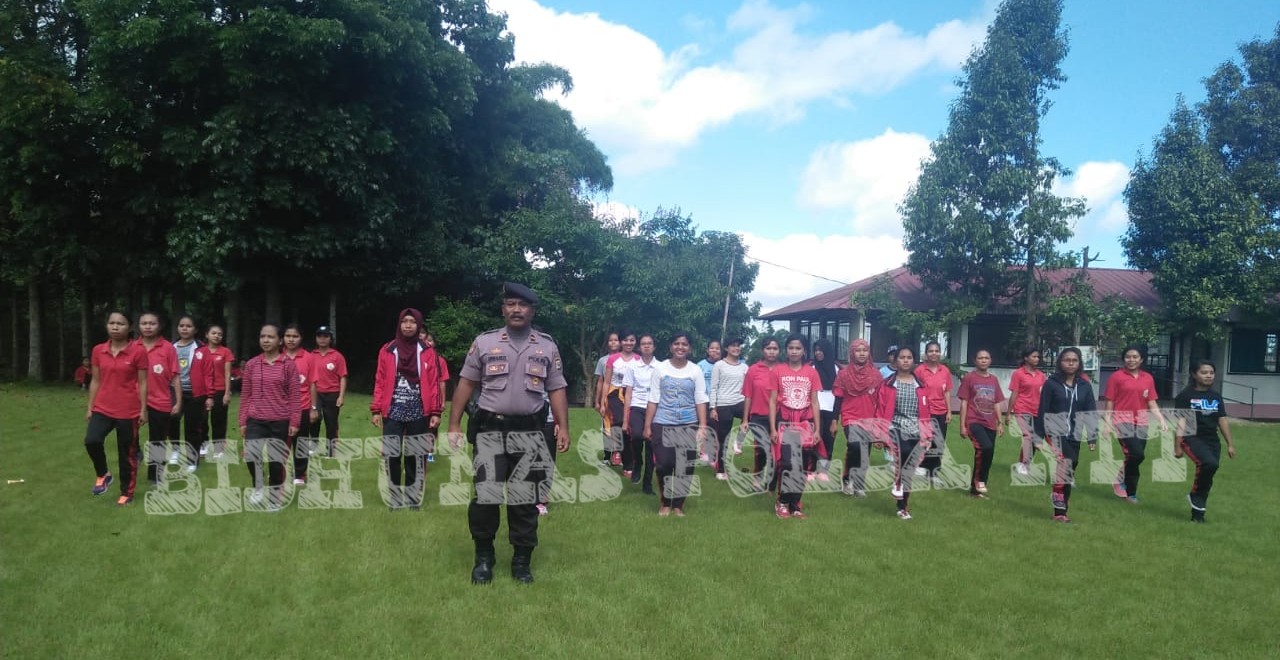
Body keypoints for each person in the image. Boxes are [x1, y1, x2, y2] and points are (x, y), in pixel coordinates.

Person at [448, 283, 569, 585]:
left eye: (523, 305)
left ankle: (521, 561)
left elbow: (556, 387)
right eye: (511, 304)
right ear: (503, 309)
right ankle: (484, 558)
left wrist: (563, 426)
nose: (516, 309)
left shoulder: (546, 346)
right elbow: (465, 383)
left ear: (532, 310)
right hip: (490, 430)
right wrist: (452, 425)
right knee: (486, 497)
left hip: (530, 432)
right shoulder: (485, 343)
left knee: (524, 499)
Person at [371, 309, 443, 510]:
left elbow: (434, 383)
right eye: (405, 321)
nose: (408, 325)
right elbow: (380, 380)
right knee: (392, 455)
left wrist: (435, 412)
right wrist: (376, 409)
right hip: (392, 410)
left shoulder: (428, 351)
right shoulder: (387, 350)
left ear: (418, 325)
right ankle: (394, 497)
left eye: (412, 322)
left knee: (415, 454)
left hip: (419, 411)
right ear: (399, 324)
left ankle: (413, 497)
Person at [83, 312, 148, 506]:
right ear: (106, 326)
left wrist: (143, 409)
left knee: (126, 453)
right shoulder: (98, 350)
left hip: (128, 410)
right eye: (111, 323)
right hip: (102, 407)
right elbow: (95, 380)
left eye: (120, 324)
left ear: (129, 327)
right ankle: (103, 474)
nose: (115, 327)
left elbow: (143, 383)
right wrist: (90, 407)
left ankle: (126, 492)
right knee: (92, 441)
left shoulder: (138, 351)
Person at [643, 333, 709, 517]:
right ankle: (665, 503)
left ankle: (678, 505)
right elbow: (653, 398)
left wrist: (703, 425)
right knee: (664, 464)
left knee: (685, 466)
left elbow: (700, 398)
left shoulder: (695, 370)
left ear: (690, 348)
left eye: (685, 344)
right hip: (663, 423)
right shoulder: (660, 369)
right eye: (677, 344)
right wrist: (648, 425)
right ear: (671, 347)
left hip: (688, 424)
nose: (680, 347)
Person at [238, 324, 301, 510]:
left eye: (270, 337)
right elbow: (245, 395)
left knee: (276, 461)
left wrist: (295, 421)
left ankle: (275, 497)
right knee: (251, 455)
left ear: (279, 340)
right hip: (255, 418)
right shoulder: (251, 365)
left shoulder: (288, 365)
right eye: (262, 336)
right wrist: (242, 421)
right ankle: (258, 486)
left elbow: (295, 396)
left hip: (280, 420)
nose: (265, 340)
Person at [1035, 347, 1098, 523]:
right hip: (1054, 431)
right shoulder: (1051, 383)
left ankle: (1063, 509)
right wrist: (1038, 436)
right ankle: (1059, 511)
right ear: (1060, 362)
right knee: (1066, 462)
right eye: (1066, 360)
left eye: (1074, 360)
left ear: (1079, 363)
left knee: (1070, 469)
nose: (1070, 363)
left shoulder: (1085, 386)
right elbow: (1043, 409)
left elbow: (1090, 411)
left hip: (1075, 434)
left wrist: (1092, 436)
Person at [1173, 360, 1236, 523]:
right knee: (1209, 464)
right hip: (1192, 437)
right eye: (1204, 372)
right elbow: (1181, 422)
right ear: (1194, 374)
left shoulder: (1216, 396)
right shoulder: (1185, 396)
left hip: (1212, 440)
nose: (1208, 376)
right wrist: (1177, 446)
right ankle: (1194, 495)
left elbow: (1222, 420)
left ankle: (1198, 515)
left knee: (1208, 475)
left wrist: (1230, 444)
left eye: (1211, 373)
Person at [1103, 345, 1165, 504]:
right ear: (1124, 359)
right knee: (1136, 454)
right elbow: (1110, 401)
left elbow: (1151, 401)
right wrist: (1107, 423)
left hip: (1142, 421)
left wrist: (1161, 419)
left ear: (1141, 359)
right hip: (1122, 420)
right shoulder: (1116, 377)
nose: (1131, 360)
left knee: (1134, 457)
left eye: (1135, 357)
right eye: (1128, 357)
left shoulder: (1148, 378)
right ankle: (1123, 483)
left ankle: (1130, 492)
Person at [877, 346, 932, 520]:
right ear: (895, 360)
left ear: (914, 361)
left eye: (909, 357)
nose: (906, 360)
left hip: (915, 428)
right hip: (895, 426)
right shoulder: (887, 385)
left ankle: (902, 507)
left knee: (909, 468)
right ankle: (898, 483)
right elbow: (880, 409)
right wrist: (879, 434)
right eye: (902, 357)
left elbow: (926, 412)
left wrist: (927, 434)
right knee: (905, 453)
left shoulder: (921, 386)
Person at [770, 335, 821, 518]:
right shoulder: (778, 371)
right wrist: (773, 429)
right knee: (788, 464)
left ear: (803, 351)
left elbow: (815, 402)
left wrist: (817, 430)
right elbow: (773, 401)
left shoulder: (811, 373)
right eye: (790, 347)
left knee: (802, 467)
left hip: (805, 425)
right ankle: (782, 501)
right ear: (786, 350)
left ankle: (795, 505)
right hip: (785, 424)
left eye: (798, 348)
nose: (794, 351)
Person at [137, 312, 182, 486]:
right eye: (144, 323)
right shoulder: (133, 347)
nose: (148, 326)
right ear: (138, 326)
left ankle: (155, 476)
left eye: (152, 323)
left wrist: (177, 402)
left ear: (159, 326)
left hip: (160, 400)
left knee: (158, 440)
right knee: (127, 437)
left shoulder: (168, 348)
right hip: (134, 400)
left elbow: (175, 377)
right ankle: (135, 459)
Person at [833, 339, 880, 497]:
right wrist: (834, 420)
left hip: (869, 418)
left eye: (864, 350)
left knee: (865, 452)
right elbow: (838, 399)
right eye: (858, 350)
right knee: (855, 446)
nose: (861, 353)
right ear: (852, 353)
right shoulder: (844, 374)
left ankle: (859, 484)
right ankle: (847, 479)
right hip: (850, 416)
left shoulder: (875, 374)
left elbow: (881, 400)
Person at [957, 349, 1005, 498]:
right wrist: (962, 425)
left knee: (988, 455)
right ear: (975, 360)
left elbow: (996, 402)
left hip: (989, 423)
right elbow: (964, 402)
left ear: (990, 360)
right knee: (985, 448)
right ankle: (980, 481)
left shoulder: (993, 380)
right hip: (974, 421)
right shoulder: (969, 378)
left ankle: (975, 490)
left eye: (986, 358)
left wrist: (1000, 422)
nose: (983, 360)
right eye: (980, 358)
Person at [167, 316, 207, 471]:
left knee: (192, 427)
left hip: (194, 393)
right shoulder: (171, 347)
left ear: (195, 329)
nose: (184, 328)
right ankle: (175, 451)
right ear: (177, 328)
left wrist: (208, 395)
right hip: (173, 391)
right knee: (172, 423)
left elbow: (207, 372)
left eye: (188, 326)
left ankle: (192, 460)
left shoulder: (202, 348)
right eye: (181, 325)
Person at [741, 337, 780, 490]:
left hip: (779, 416)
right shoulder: (753, 370)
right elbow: (748, 396)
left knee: (776, 451)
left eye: (775, 348)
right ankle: (757, 475)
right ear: (763, 350)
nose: (771, 351)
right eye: (768, 348)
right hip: (759, 416)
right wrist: (745, 419)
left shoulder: (782, 369)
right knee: (762, 449)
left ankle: (771, 483)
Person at [623, 334, 660, 491]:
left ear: (654, 347)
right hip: (637, 406)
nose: (646, 346)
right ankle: (637, 462)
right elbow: (628, 394)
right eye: (643, 344)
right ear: (639, 347)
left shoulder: (661, 367)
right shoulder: (632, 366)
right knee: (637, 435)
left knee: (651, 446)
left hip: (654, 408)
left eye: (649, 343)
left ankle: (647, 483)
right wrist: (625, 420)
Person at [709, 337, 748, 481]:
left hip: (740, 401)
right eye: (733, 346)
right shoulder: (719, 365)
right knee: (723, 438)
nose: (736, 348)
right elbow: (713, 388)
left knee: (751, 418)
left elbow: (749, 388)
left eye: (738, 346)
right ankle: (721, 470)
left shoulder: (744, 367)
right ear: (726, 349)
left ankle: (738, 442)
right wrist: (713, 407)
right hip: (723, 404)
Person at [282, 325, 317, 485]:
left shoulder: (309, 357)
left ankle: (300, 474)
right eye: (288, 336)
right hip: (280, 408)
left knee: (301, 442)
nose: (291, 339)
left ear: (300, 338)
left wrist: (313, 408)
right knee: (280, 441)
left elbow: (312, 384)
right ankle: (278, 473)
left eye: (294, 336)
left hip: (302, 406)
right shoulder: (277, 356)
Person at [915, 341, 953, 482]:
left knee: (939, 442)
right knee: (924, 441)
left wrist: (949, 411)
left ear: (940, 353)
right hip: (925, 411)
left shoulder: (945, 370)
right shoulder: (920, 370)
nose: (934, 353)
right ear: (926, 353)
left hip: (941, 411)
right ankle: (918, 465)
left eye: (937, 351)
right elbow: (916, 391)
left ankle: (932, 473)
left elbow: (947, 392)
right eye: (931, 351)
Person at [601, 330, 639, 470]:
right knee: (618, 423)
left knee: (631, 427)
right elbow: (606, 381)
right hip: (615, 394)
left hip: (632, 395)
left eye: (632, 340)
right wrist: (603, 401)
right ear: (621, 342)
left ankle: (629, 458)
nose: (629, 343)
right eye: (625, 340)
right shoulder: (613, 359)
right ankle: (619, 454)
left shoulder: (638, 359)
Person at [1007, 347, 1046, 475]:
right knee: (1028, 435)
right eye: (1034, 356)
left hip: (1037, 410)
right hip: (1022, 408)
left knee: (1035, 437)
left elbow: (1045, 394)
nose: (1037, 359)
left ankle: (1024, 463)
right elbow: (1014, 393)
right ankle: (1023, 464)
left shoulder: (1042, 376)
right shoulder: (1018, 374)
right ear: (1026, 358)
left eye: (1038, 357)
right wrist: (1008, 413)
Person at [311, 326, 348, 458]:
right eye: (320, 336)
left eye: (325, 336)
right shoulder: (311, 356)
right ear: (316, 338)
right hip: (316, 393)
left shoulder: (337, 356)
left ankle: (331, 451)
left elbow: (343, 377)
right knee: (314, 418)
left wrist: (341, 396)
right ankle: (313, 444)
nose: (322, 339)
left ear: (330, 339)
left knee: (331, 423)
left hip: (332, 393)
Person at [807, 338, 840, 482]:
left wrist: (835, 419)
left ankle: (823, 470)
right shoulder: (811, 368)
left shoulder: (837, 369)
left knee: (828, 440)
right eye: (816, 350)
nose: (818, 353)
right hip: (814, 409)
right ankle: (810, 469)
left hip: (831, 410)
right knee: (813, 440)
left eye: (821, 350)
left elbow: (839, 396)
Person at [200, 325, 235, 458]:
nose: (216, 336)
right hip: (202, 390)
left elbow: (227, 373)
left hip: (220, 390)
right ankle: (203, 443)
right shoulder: (200, 351)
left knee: (219, 420)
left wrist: (227, 392)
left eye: (219, 334)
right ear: (207, 335)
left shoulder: (225, 352)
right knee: (201, 419)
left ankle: (218, 448)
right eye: (213, 333)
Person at [593, 331, 620, 465]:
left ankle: (620, 455)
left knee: (621, 426)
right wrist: (597, 401)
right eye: (611, 340)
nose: (613, 342)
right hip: (607, 397)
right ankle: (607, 456)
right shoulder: (602, 360)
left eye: (616, 340)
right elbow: (600, 381)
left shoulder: (625, 359)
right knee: (607, 426)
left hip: (621, 397)